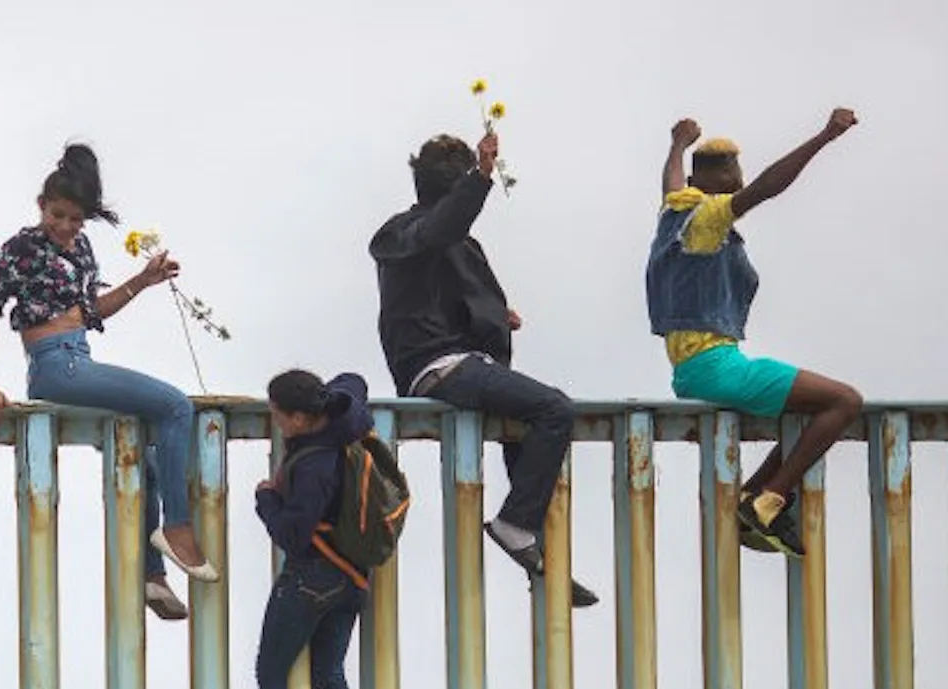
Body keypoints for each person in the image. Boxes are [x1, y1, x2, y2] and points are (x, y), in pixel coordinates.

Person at [0, 144, 216, 622]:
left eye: (75, 220)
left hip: (78, 359)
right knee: (175, 407)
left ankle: (152, 576)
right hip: (53, 367)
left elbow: (90, 312)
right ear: (41, 205)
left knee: (142, 455)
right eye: (58, 215)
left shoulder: (80, 249)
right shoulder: (22, 247)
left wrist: (142, 281)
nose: (65, 227)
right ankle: (179, 528)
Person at [370, 129, 598, 607]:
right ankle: (517, 525)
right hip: (438, 366)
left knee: (529, 426)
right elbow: (438, 232)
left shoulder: (451, 244)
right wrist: (481, 176)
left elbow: (463, 300)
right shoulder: (403, 232)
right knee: (554, 409)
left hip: (459, 361)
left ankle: (535, 544)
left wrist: (500, 316)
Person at [648, 110, 866, 557]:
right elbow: (767, 188)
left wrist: (678, 144)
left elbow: (672, 181)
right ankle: (770, 501)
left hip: (695, 367)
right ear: (719, 177)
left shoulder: (677, 210)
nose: (740, 178)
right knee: (845, 401)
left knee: (805, 411)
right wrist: (824, 136)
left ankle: (751, 497)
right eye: (734, 171)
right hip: (714, 365)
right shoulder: (709, 217)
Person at [235, 370, 375, 689]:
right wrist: (332, 394)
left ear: (298, 418)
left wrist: (266, 500)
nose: (275, 421)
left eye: (279, 415)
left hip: (310, 576)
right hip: (352, 575)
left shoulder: (314, 466)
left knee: (271, 673)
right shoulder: (346, 420)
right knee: (329, 675)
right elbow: (355, 380)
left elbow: (292, 535)